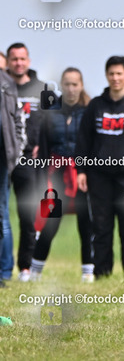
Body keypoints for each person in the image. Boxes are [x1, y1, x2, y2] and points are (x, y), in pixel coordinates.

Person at [75, 56, 124, 279]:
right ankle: (102, 274)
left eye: (119, 73)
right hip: (98, 176)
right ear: (106, 75)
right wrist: (81, 170)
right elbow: (83, 140)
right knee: (101, 227)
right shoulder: (95, 106)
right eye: (111, 73)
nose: (115, 78)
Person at [30, 68, 94, 282]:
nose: (71, 89)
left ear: (81, 85)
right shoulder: (50, 111)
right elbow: (43, 145)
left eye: (75, 84)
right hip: (56, 175)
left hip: (82, 175)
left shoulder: (90, 111)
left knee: (86, 224)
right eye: (67, 84)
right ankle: (35, 271)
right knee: (50, 222)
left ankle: (88, 273)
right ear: (61, 85)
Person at [5, 43, 46, 282]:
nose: (18, 63)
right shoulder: (3, 87)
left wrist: (43, 145)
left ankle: (25, 267)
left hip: (29, 160)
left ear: (28, 61)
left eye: (22, 59)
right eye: (14, 59)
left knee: (27, 214)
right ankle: (4, 266)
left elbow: (57, 120)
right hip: (4, 157)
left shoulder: (44, 88)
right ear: (8, 62)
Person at [0, 68, 26, 287]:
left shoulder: (7, 83)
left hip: (2, 159)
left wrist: (15, 151)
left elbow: (18, 121)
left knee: (2, 215)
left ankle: (3, 272)